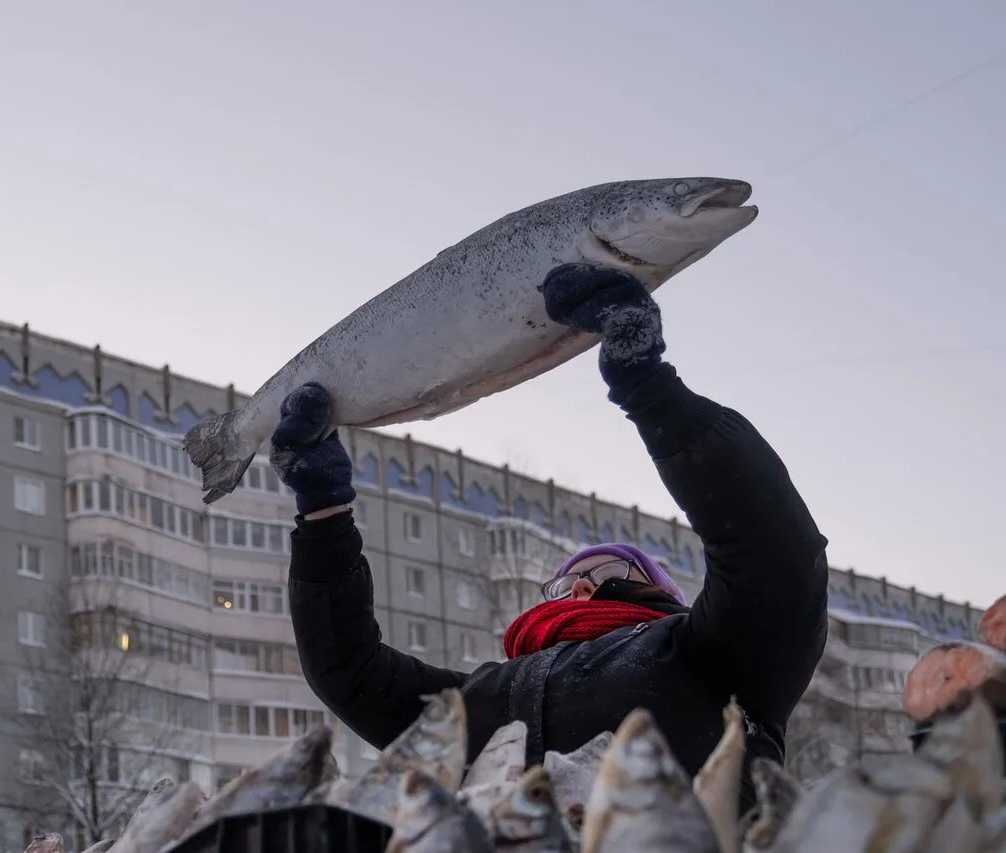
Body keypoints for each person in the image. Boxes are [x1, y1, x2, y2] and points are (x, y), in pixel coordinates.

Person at [269, 263, 830, 812]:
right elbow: (346, 669)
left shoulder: (714, 656)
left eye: (608, 574)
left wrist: (651, 390)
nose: (580, 586)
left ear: (661, 595)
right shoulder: (476, 697)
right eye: (565, 581)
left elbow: (772, 552)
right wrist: (324, 514)